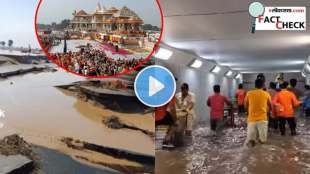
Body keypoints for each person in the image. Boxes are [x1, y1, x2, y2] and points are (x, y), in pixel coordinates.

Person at [244, 79, 272, 147]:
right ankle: (261, 155)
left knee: (251, 141)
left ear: (255, 85)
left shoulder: (249, 93)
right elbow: (270, 105)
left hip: (251, 119)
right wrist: (269, 113)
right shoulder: (266, 94)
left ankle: (252, 155)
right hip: (263, 119)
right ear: (263, 85)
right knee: (263, 141)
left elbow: (245, 105)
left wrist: (247, 113)